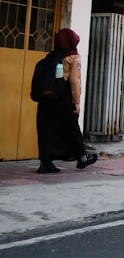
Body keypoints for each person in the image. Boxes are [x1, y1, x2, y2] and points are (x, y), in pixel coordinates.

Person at [35, 28, 98, 173]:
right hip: (64, 98)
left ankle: (45, 162)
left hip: (47, 99)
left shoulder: (51, 57)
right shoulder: (73, 57)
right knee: (72, 127)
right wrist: (76, 102)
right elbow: (74, 81)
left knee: (47, 129)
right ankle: (82, 157)